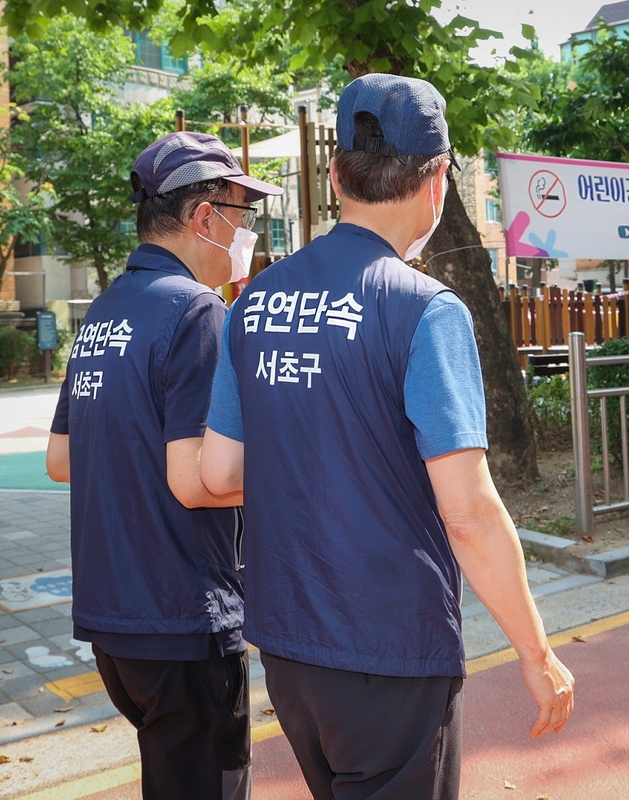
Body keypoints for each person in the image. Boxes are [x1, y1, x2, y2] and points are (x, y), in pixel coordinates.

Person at [200, 73, 574, 800]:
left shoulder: (256, 304)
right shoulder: (425, 311)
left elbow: (218, 473)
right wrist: (537, 652)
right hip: (390, 645)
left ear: (337, 173)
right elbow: (467, 512)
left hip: (288, 644)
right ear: (439, 181)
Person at [45, 131, 282, 800]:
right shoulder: (199, 311)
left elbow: (60, 459)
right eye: (242, 217)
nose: (245, 235)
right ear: (204, 216)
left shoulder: (106, 309)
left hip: (112, 620)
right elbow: (195, 478)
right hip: (182, 617)